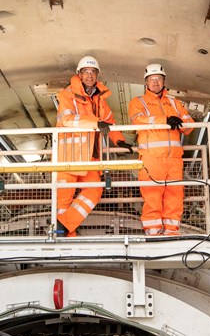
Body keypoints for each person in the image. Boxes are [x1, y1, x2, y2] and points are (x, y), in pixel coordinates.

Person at [53, 56, 129, 236]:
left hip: (90, 157)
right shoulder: (67, 95)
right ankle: (65, 237)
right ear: (79, 74)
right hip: (68, 156)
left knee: (95, 189)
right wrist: (96, 122)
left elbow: (109, 122)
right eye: (86, 72)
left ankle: (65, 226)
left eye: (93, 72)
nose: (89, 75)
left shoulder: (99, 99)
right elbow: (67, 119)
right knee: (64, 200)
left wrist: (119, 140)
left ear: (97, 75)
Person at [128, 63, 191, 236]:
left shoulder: (174, 103)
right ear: (146, 82)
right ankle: (153, 232)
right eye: (151, 79)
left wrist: (180, 122)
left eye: (158, 79)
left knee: (175, 196)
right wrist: (165, 119)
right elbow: (138, 120)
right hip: (151, 158)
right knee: (152, 196)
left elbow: (189, 126)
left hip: (174, 159)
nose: (155, 83)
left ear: (164, 82)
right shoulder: (138, 102)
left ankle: (171, 231)